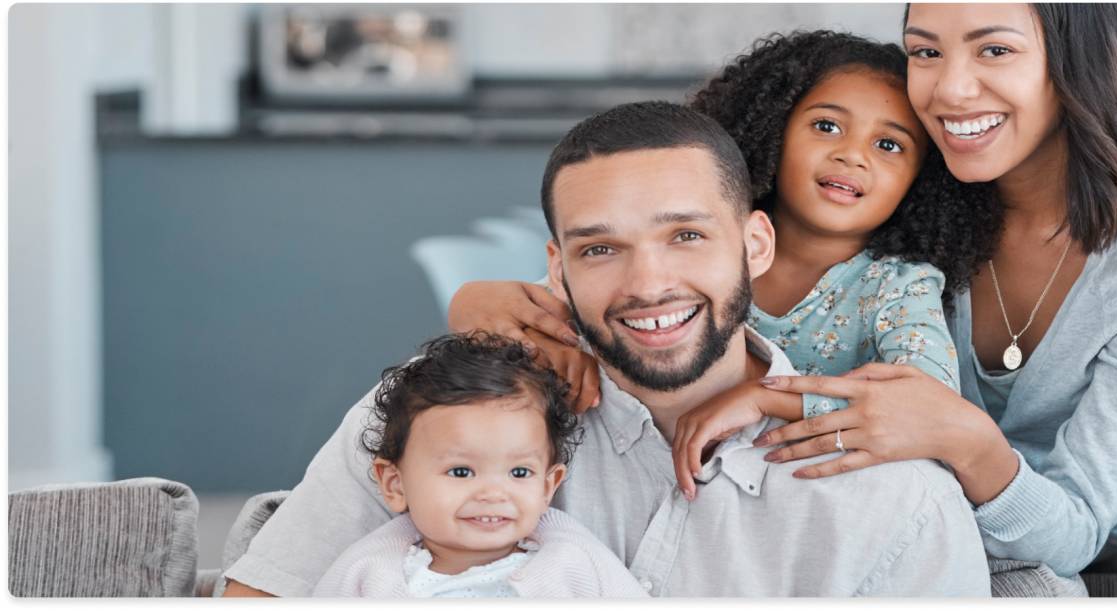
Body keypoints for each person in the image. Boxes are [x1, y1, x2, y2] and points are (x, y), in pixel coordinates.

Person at [456, 5, 1117, 579]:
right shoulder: (925, 194)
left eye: (993, 49)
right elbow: (670, 269)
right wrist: (485, 305)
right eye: (926, 50)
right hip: (1028, 523)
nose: (948, 89)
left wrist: (953, 430)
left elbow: (1073, 517)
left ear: (1075, 60)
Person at [222, 101, 991, 597]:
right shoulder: (440, 415)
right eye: (600, 250)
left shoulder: (893, 498)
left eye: (686, 236)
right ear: (556, 268)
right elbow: (263, 593)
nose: (648, 283)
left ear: (756, 243)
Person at [448, 31, 1001, 496]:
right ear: (773, 129)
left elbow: (925, 401)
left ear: (921, 179)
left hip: (802, 493)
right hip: (646, 472)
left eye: (890, 146)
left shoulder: (897, 287)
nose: (852, 155)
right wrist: (471, 302)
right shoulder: (693, 243)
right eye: (827, 126)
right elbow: (577, 298)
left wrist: (764, 397)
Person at [311, 333, 646, 598]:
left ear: (548, 485)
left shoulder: (574, 565)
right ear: (395, 484)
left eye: (519, 473)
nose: (492, 493)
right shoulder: (367, 574)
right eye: (461, 472)